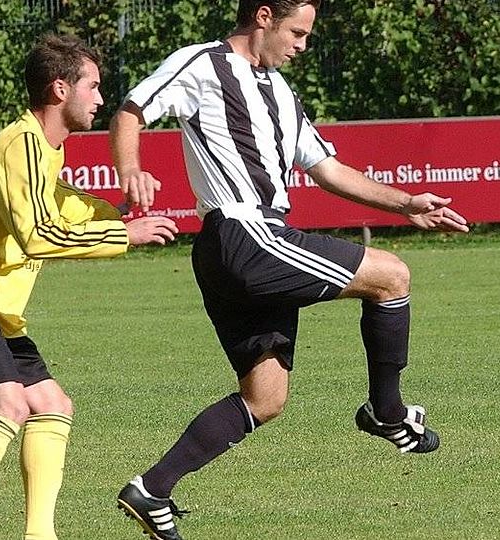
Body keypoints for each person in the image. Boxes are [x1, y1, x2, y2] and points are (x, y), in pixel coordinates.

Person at [110, 2, 469, 538]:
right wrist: (131, 169)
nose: (303, 45)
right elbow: (130, 111)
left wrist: (405, 204)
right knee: (392, 276)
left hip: (237, 247)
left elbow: (327, 169)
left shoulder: (279, 91)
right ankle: (388, 412)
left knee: (266, 398)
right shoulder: (204, 63)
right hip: (244, 233)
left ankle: (152, 488)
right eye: (297, 32)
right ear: (263, 17)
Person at [0, 34, 178, 540]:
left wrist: (115, 211)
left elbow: (61, 202)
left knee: (52, 405)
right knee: (7, 406)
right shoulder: (20, 144)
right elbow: (38, 235)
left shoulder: (44, 148)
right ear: (59, 89)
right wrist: (124, 234)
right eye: (93, 87)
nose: (100, 99)